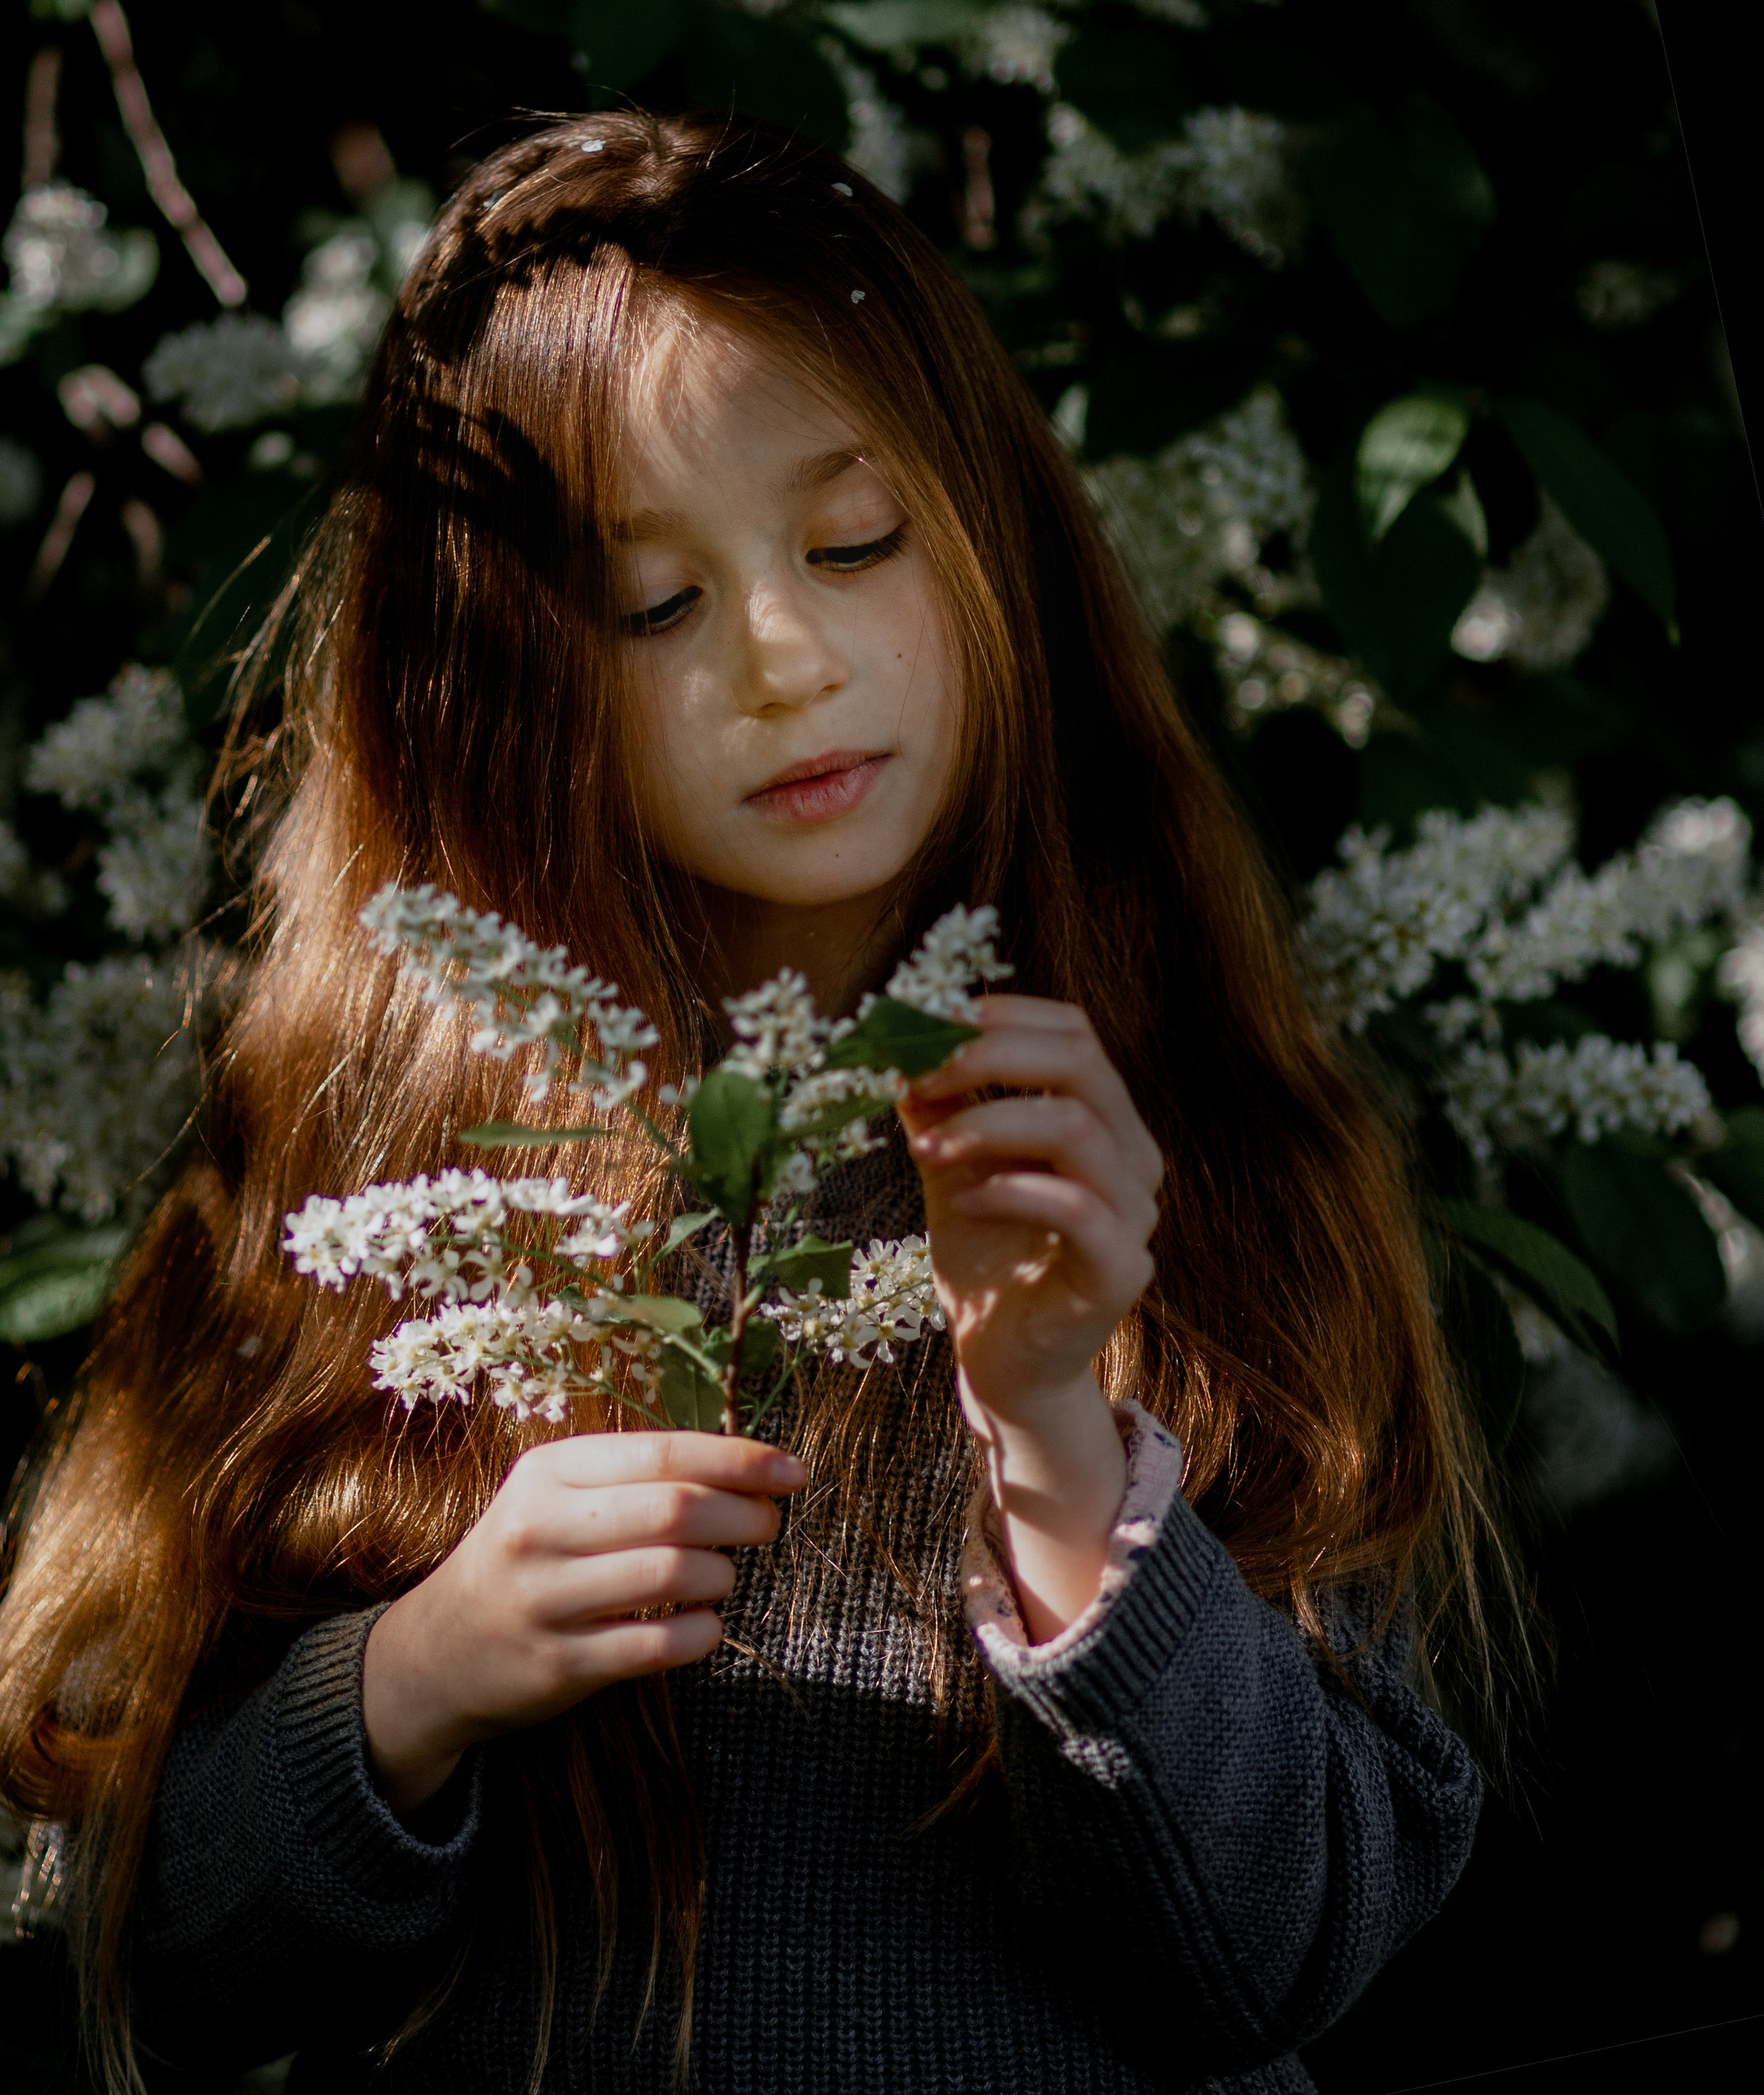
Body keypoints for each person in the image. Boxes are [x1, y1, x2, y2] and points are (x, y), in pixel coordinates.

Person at [0, 111, 1496, 2094]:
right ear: (502, 680)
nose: (783, 659)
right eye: (652, 602)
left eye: (852, 540)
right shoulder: (392, 1196)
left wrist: (1058, 1445)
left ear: (988, 540)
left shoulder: (1175, 1163)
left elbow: (1291, 1945)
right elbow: (135, 1950)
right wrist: (410, 1690)